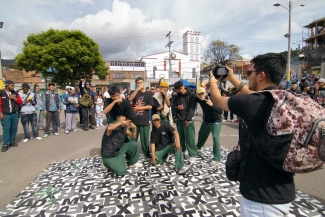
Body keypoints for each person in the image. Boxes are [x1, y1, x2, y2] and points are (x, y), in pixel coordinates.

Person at [209, 53, 295, 216]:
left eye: (250, 73)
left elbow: (217, 99)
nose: (248, 76)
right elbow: (251, 93)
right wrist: (232, 78)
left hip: (261, 199)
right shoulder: (282, 98)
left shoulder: (251, 103)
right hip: (283, 189)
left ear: (261, 75)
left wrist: (213, 80)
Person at [128, 77, 154, 158]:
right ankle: (130, 153)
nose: (139, 84)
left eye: (141, 82)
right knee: (133, 138)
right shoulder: (134, 92)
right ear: (136, 84)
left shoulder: (148, 94)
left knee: (145, 138)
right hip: (134, 120)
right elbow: (129, 99)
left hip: (144, 119)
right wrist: (136, 90)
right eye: (138, 83)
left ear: (144, 83)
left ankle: (146, 152)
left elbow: (150, 106)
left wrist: (139, 108)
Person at [195, 87, 223, 166]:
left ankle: (217, 157)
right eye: (199, 94)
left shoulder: (212, 99)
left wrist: (212, 105)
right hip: (206, 121)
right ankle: (198, 147)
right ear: (197, 95)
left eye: (202, 93)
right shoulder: (198, 99)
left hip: (216, 121)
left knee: (215, 138)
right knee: (201, 134)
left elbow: (220, 111)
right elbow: (189, 95)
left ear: (206, 93)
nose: (201, 96)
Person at [173, 81, 197, 161]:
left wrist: (188, 119)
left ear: (183, 86)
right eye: (178, 90)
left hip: (188, 119)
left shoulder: (192, 94)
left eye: (181, 88)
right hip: (179, 118)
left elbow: (192, 108)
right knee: (181, 137)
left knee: (190, 138)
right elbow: (173, 107)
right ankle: (183, 151)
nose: (180, 91)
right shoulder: (177, 96)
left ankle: (192, 154)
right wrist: (177, 108)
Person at [0, 80, 23, 152]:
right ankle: (5, 144)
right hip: (5, 114)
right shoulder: (1, 93)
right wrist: (0, 113)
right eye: (11, 85)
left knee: (14, 128)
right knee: (6, 128)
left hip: (15, 113)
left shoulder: (15, 93)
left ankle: (12, 141)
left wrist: (14, 98)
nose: (13, 87)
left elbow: (20, 102)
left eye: (13, 85)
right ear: (7, 86)